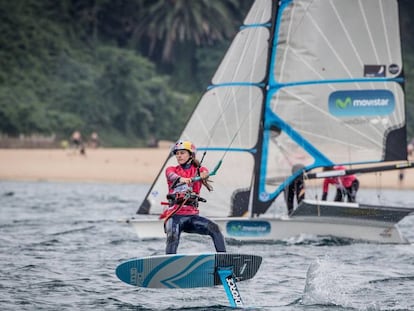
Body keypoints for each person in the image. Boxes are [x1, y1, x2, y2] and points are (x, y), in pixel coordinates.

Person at [160, 140, 226, 254]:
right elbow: (171, 176)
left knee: (215, 229)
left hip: (192, 217)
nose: (179, 156)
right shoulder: (171, 170)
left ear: (190, 155)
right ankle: (168, 264)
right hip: (174, 217)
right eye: (177, 153)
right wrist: (182, 179)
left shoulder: (198, 170)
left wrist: (204, 173)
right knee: (173, 236)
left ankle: (224, 260)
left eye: (182, 153)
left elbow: (204, 171)